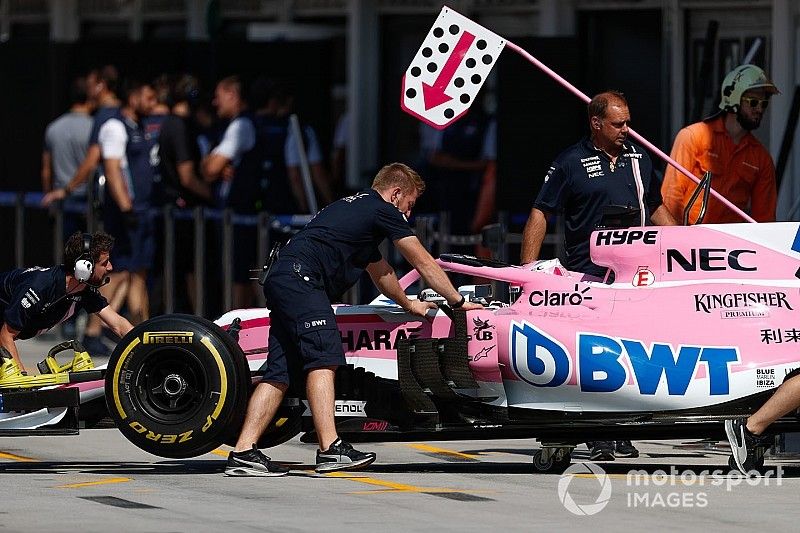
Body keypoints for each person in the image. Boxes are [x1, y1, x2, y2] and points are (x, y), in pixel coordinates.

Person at [225, 162, 483, 476]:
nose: (409, 214)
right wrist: (457, 302)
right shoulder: (381, 210)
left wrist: (408, 303)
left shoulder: (352, 210)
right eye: (410, 205)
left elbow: (382, 272)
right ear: (396, 193)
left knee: (280, 372)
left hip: (283, 278)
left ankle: (243, 452)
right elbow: (422, 260)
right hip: (303, 281)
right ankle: (330, 449)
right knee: (323, 359)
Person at [520, 91, 677, 460]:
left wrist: (684, 245)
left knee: (635, 354)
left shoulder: (640, 158)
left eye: (628, 122)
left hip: (638, 277)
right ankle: (596, 432)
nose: (627, 130)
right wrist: (527, 272)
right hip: (588, 277)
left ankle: (622, 427)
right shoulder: (570, 163)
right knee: (596, 358)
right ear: (596, 123)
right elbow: (541, 213)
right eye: (618, 124)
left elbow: (654, 208)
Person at [84, 80, 157, 355]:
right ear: (134, 95)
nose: (153, 104)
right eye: (148, 97)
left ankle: (143, 331)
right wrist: (126, 209)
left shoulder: (139, 126)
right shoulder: (115, 126)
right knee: (116, 271)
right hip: (126, 215)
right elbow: (113, 169)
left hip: (141, 213)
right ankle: (92, 331)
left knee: (138, 272)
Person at [0, 231, 133, 374]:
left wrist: (147, 343)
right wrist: (22, 380)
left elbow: (118, 324)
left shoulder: (83, 290)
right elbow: (6, 334)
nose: (110, 267)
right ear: (84, 267)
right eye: (104, 263)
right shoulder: (39, 287)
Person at [661, 64, 779, 224]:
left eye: (763, 104)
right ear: (733, 99)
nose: (759, 109)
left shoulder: (762, 159)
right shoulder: (692, 137)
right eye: (753, 102)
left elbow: (764, 221)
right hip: (687, 238)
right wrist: (675, 241)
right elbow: (671, 199)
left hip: (727, 245)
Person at [202, 75, 261, 309]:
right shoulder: (231, 126)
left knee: (243, 272)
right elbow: (209, 169)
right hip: (235, 212)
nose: (215, 103)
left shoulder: (241, 126)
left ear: (232, 95)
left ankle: (240, 325)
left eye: (218, 97)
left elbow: (210, 168)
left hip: (242, 211)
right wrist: (210, 166)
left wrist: (212, 166)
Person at [41, 75, 95, 237]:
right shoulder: (95, 128)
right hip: (89, 200)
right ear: (89, 98)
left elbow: (46, 170)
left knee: (67, 254)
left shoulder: (53, 128)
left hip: (61, 201)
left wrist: (48, 196)